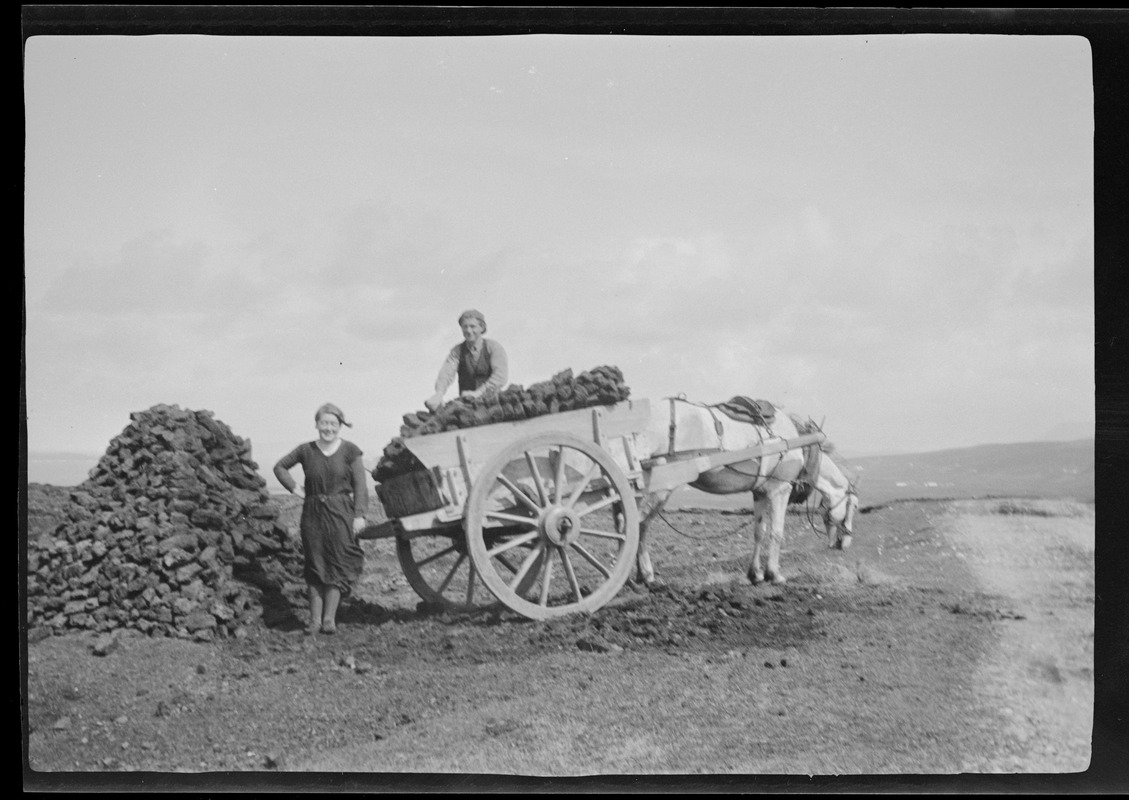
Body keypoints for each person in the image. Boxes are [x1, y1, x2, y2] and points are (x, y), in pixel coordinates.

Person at [273, 403, 367, 636]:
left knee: (337, 562)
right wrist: (296, 489)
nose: (328, 428)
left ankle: (328, 620)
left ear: (340, 426)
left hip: (341, 512)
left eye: (333, 424)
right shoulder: (306, 450)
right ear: (316, 424)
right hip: (313, 513)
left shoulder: (350, 451)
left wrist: (359, 515)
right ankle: (314, 621)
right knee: (315, 563)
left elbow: (360, 486)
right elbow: (280, 467)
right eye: (324, 423)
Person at [425, 308, 508, 412]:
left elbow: (500, 376)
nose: (468, 331)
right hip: (467, 405)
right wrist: (439, 393)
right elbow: (446, 373)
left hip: (493, 404)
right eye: (465, 327)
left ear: (481, 328)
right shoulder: (457, 351)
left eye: (473, 326)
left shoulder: (494, 348)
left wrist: (478, 393)